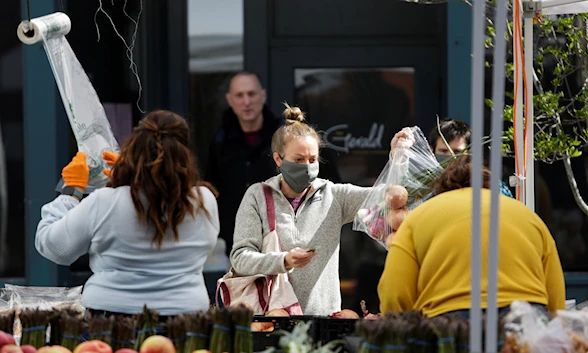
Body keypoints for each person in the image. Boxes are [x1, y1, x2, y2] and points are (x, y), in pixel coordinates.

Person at [35, 110, 219, 316]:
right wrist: (130, 180)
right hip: (187, 320)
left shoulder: (105, 202)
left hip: (111, 321)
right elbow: (163, 193)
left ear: (133, 149)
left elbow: (54, 246)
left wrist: (71, 191)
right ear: (185, 154)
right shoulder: (204, 201)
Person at [229, 104, 406, 316]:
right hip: (273, 318)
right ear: (278, 159)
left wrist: (398, 159)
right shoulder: (258, 196)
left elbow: (388, 196)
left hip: (323, 319)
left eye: (312, 160)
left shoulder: (334, 196)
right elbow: (240, 258)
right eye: (298, 160)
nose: (307, 166)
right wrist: (283, 260)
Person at [378, 155, 565, 317]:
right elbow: (556, 297)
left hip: (449, 323)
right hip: (525, 320)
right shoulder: (528, 217)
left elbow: (394, 294)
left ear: (441, 190)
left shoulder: (418, 217)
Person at [206, 71, 284, 255]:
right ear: (230, 100)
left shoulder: (283, 137)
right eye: (239, 95)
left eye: (251, 94)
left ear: (263, 95)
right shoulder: (220, 141)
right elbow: (212, 187)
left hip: (279, 237)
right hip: (235, 240)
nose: (246, 102)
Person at [428, 118, 514, 198]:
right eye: (443, 151)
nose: (450, 157)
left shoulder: (490, 185)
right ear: (432, 151)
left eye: (457, 152)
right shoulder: (423, 187)